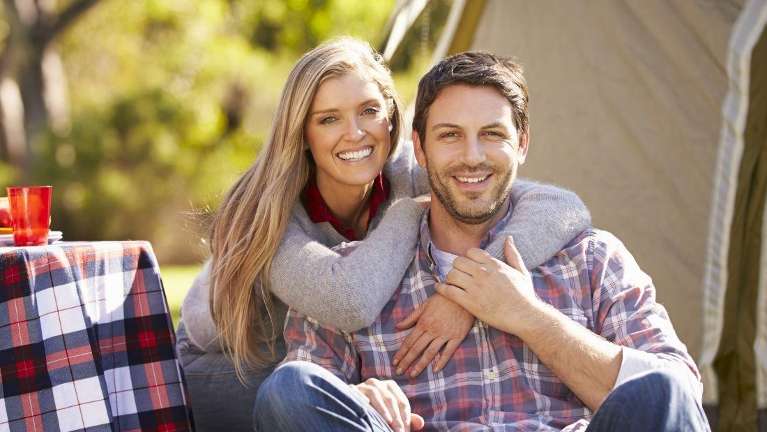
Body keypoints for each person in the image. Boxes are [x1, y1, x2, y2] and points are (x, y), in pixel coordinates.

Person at [255, 52, 711, 432]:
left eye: (492, 135)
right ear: (418, 148)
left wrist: (531, 318)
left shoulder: (591, 258)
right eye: (450, 136)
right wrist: (359, 396)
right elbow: (303, 391)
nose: (472, 157)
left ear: (523, 143)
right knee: (288, 391)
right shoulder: (356, 276)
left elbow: (679, 399)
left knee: (663, 387)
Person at [175, 39, 591, 430]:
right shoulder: (266, 214)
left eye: (369, 111)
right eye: (329, 119)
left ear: (393, 118)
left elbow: (561, 207)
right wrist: (410, 215)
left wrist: (468, 295)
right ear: (302, 133)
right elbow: (349, 302)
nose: (355, 133)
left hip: (330, 357)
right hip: (229, 367)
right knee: (300, 387)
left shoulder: (409, 172)